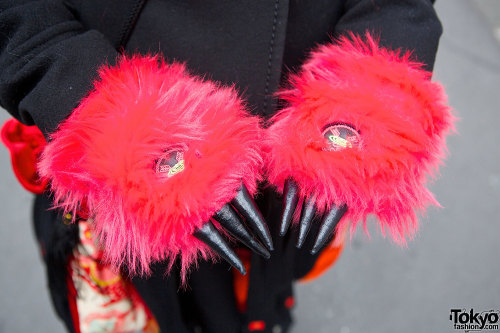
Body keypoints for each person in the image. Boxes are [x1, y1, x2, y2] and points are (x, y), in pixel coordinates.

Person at [0, 1, 453, 332]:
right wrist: (104, 112)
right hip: (119, 177)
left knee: (257, 291)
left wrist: (369, 93)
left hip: (288, 165)